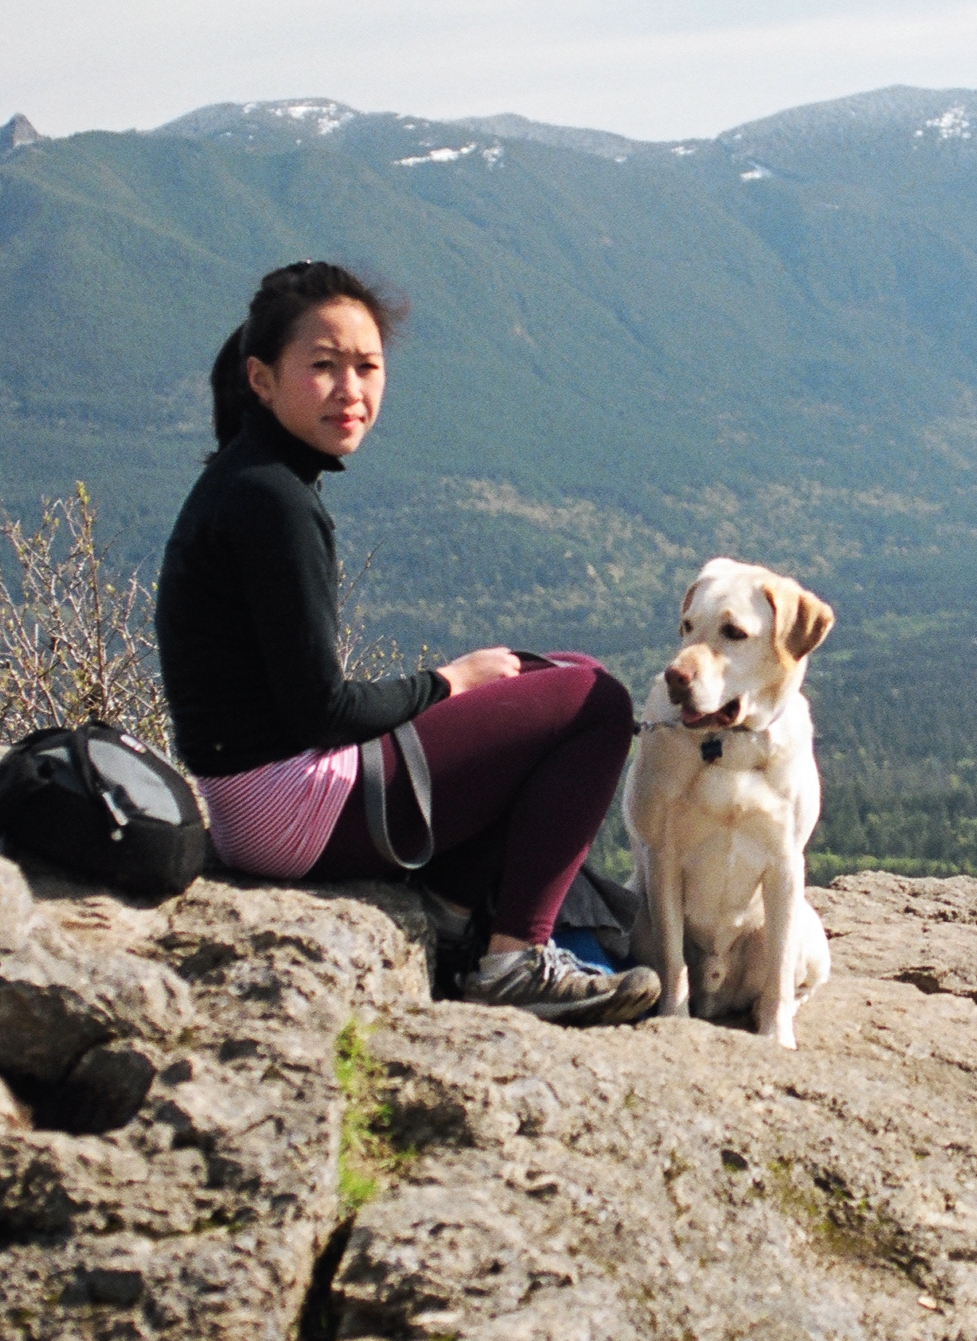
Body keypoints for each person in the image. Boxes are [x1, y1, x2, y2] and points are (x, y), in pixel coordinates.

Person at [156, 261, 658, 1025]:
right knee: (598, 703)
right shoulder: (272, 500)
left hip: (255, 802)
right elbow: (320, 710)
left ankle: (456, 914)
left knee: (564, 675)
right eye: (321, 367)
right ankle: (511, 960)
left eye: (366, 366)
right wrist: (447, 682)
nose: (350, 390)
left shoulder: (256, 478)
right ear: (261, 380)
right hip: (287, 809)